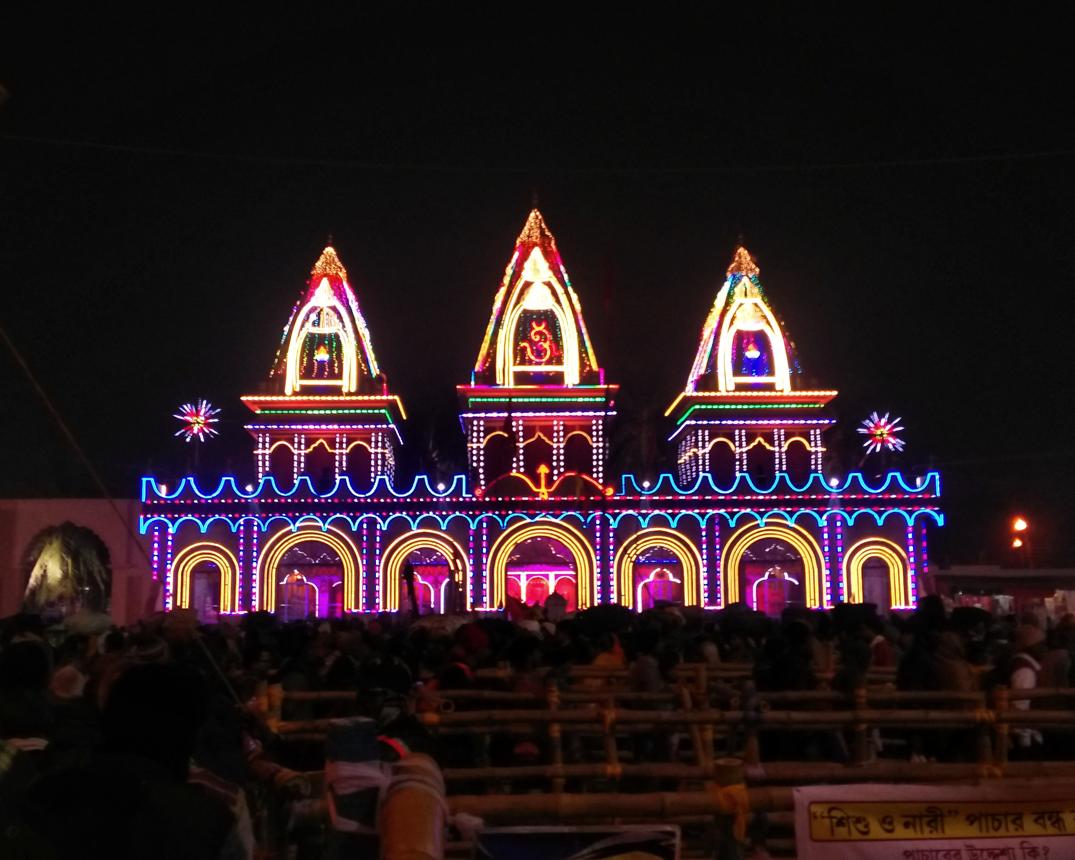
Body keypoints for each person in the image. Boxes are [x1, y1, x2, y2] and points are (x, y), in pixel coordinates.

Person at [1010, 624, 1047, 753]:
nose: (1045, 648)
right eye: (1041, 645)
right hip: (1025, 737)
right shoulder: (1025, 670)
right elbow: (1020, 706)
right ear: (1030, 647)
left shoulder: (1026, 666)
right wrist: (1025, 741)